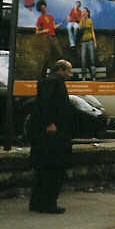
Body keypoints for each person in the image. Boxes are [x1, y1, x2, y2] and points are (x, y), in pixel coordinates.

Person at [29, 59, 74, 214]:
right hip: (53, 134)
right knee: (53, 169)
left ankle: (37, 202)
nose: (70, 74)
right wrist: (50, 123)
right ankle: (48, 203)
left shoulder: (48, 81)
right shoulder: (53, 82)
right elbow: (46, 104)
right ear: (60, 70)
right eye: (68, 71)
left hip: (47, 134)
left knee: (43, 170)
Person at [35, 0, 63, 76]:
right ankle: (43, 74)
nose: (43, 9)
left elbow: (53, 27)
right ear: (40, 9)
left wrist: (60, 24)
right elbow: (37, 32)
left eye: (44, 7)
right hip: (47, 39)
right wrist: (44, 31)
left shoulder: (50, 16)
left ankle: (53, 72)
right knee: (48, 57)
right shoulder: (39, 19)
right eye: (42, 8)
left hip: (54, 37)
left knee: (59, 54)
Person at [79, 7, 97, 81]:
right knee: (83, 59)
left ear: (87, 13)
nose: (84, 13)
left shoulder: (90, 21)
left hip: (90, 41)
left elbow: (92, 31)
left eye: (85, 12)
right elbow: (80, 30)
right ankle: (84, 76)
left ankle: (93, 76)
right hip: (83, 42)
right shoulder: (81, 21)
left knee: (92, 59)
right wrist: (83, 20)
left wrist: (95, 42)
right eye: (83, 12)